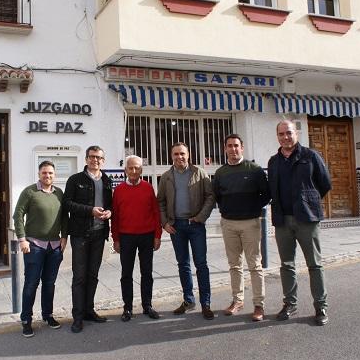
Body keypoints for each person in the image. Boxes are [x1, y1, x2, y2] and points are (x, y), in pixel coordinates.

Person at [268, 120, 332, 326]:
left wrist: (308, 201)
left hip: (307, 219)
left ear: (296, 133)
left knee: (315, 264)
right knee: (286, 265)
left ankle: (320, 306)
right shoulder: (273, 161)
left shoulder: (310, 156)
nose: (285, 137)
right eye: (281, 134)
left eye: (288, 133)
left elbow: (325, 183)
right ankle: (290, 304)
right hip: (282, 220)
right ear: (277, 137)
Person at [213, 134, 270, 322]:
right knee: (234, 265)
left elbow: (266, 194)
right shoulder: (220, 173)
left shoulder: (254, 169)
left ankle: (259, 304)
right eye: (229, 146)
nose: (233, 149)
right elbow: (217, 196)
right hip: (229, 223)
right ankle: (237, 301)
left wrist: (252, 208)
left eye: (236, 145)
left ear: (242, 148)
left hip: (250, 223)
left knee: (255, 265)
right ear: (225, 149)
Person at [157, 142, 216, 320]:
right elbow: (160, 202)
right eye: (176, 154)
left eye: (182, 154)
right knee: (183, 264)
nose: (179, 157)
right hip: (176, 227)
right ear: (171, 156)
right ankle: (188, 300)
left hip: (196, 225)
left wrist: (200, 217)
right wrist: (164, 223)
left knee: (201, 264)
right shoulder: (166, 176)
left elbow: (210, 196)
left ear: (188, 155)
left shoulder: (199, 173)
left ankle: (206, 303)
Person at [12, 160, 68, 338]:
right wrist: (22, 239)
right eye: (44, 173)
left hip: (54, 246)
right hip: (34, 245)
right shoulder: (30, 192)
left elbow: (65, 217)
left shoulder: (59, 193)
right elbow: (18, 214)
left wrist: (64, 237)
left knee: (49, 283)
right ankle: (26, 320)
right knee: (31, 283)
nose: (47, 176)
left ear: (54, 175)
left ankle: (47, 315)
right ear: (39, 174)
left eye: (50, 173)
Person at [63, 145, 113, 333]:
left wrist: (110, 212)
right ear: (86, 159)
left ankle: (89, 310)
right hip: (80, 235)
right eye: (92, 157)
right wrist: (90, 210)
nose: (95, 160)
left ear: (103, 160)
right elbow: (67, 204)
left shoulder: (107, 181)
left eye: (99, 157)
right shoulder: (75, 180)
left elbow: (110, 205)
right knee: (79, 277)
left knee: (93, 275)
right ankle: (77, 317)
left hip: (99, 234)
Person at [111, 155, 162, 322]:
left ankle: (147, 305)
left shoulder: (148, 188)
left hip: (147, 236)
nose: (134, 171)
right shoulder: (118, 191)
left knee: (146, 272)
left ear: (141, 170)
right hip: (126, 237)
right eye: (130, 168)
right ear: (125, 170)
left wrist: (157, 235)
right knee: (126, 273)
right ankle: (127, 307)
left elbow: (156, 213)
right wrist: (115, 239)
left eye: (137, 168)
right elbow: (116, 217)